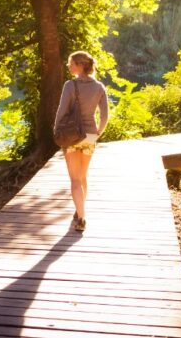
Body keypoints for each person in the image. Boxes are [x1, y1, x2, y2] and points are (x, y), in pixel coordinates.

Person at [54, 51, 109, 232]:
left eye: (71, 63)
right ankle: (79, 211)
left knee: (75, 180)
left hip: (72, 136)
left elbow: (62, 112)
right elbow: (104, 116)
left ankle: (81, 218)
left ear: (79, 65)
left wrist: (57, 130)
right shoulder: (99, 86)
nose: (69, 66)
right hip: (90, 136)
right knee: (83, 177)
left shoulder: (70, 85)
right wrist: (98, 132)